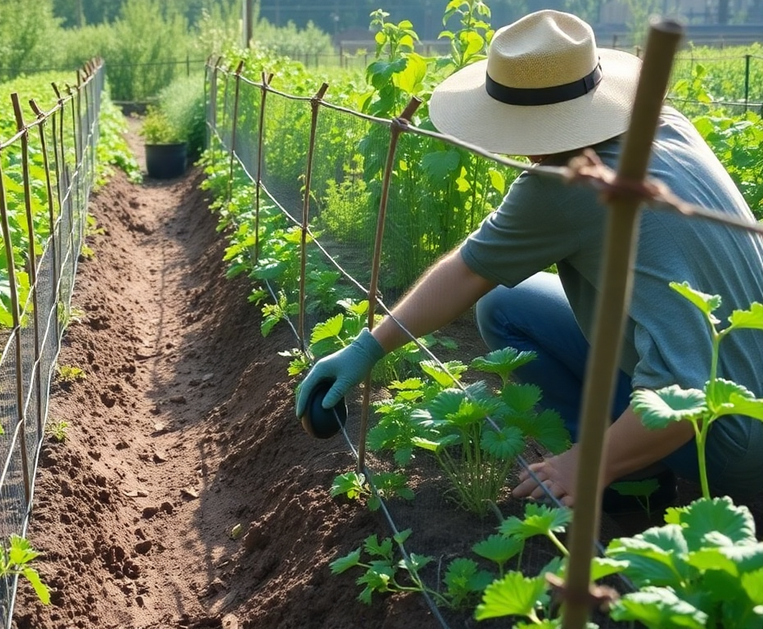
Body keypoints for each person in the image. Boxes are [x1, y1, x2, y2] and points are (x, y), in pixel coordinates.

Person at [294, 10, 763, 510]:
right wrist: (366, 350)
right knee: (507, 304)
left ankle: (618, 479)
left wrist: (585, 464)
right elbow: (472, 267)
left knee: (507, 315)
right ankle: (637, 464)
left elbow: (682, 392)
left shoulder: (565, 185)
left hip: (729, 437)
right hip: (747, 384)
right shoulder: (666, 124)